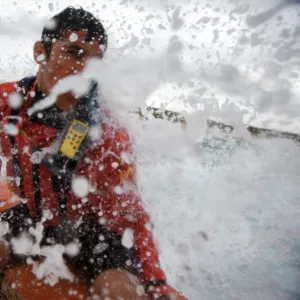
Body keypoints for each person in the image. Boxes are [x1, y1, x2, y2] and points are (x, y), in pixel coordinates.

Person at [0, 6, 186, 300]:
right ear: (41, 52)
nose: (84, 68)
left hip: (91, 232)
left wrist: (155, 282)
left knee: (118, 290)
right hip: (30, 217)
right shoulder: (7, 102)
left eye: (95, 60)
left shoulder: (108, 133)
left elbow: (132, 215)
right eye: (74, 52)